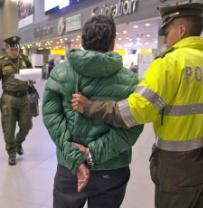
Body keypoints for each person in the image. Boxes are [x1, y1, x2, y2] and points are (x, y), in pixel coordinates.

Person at [71, 3, 203, 208]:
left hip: (177, 169)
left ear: (181, 30)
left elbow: (134, 111)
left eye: (167, 31)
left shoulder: (168, 64)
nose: (165, 38)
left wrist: (90, 106)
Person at [42, 15, 143, 208]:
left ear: (82, 41)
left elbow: (51, 116)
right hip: (112, 168)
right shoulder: (130, 80)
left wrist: (76, 158)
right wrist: (93, 154)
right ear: (113, 43)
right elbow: (133, 125)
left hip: (69, 167)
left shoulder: (60, 73)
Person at [0, 36, 33, 166]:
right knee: (8, 128)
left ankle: (18, 142)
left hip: (24, 97)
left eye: (16, 49)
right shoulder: (2, 62)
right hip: (9, 99)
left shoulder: (24, 60)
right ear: (6, 49)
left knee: (27, 125)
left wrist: (31, 80)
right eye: (12, 49)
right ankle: (12, 152)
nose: (15, 51)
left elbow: (31, 74)